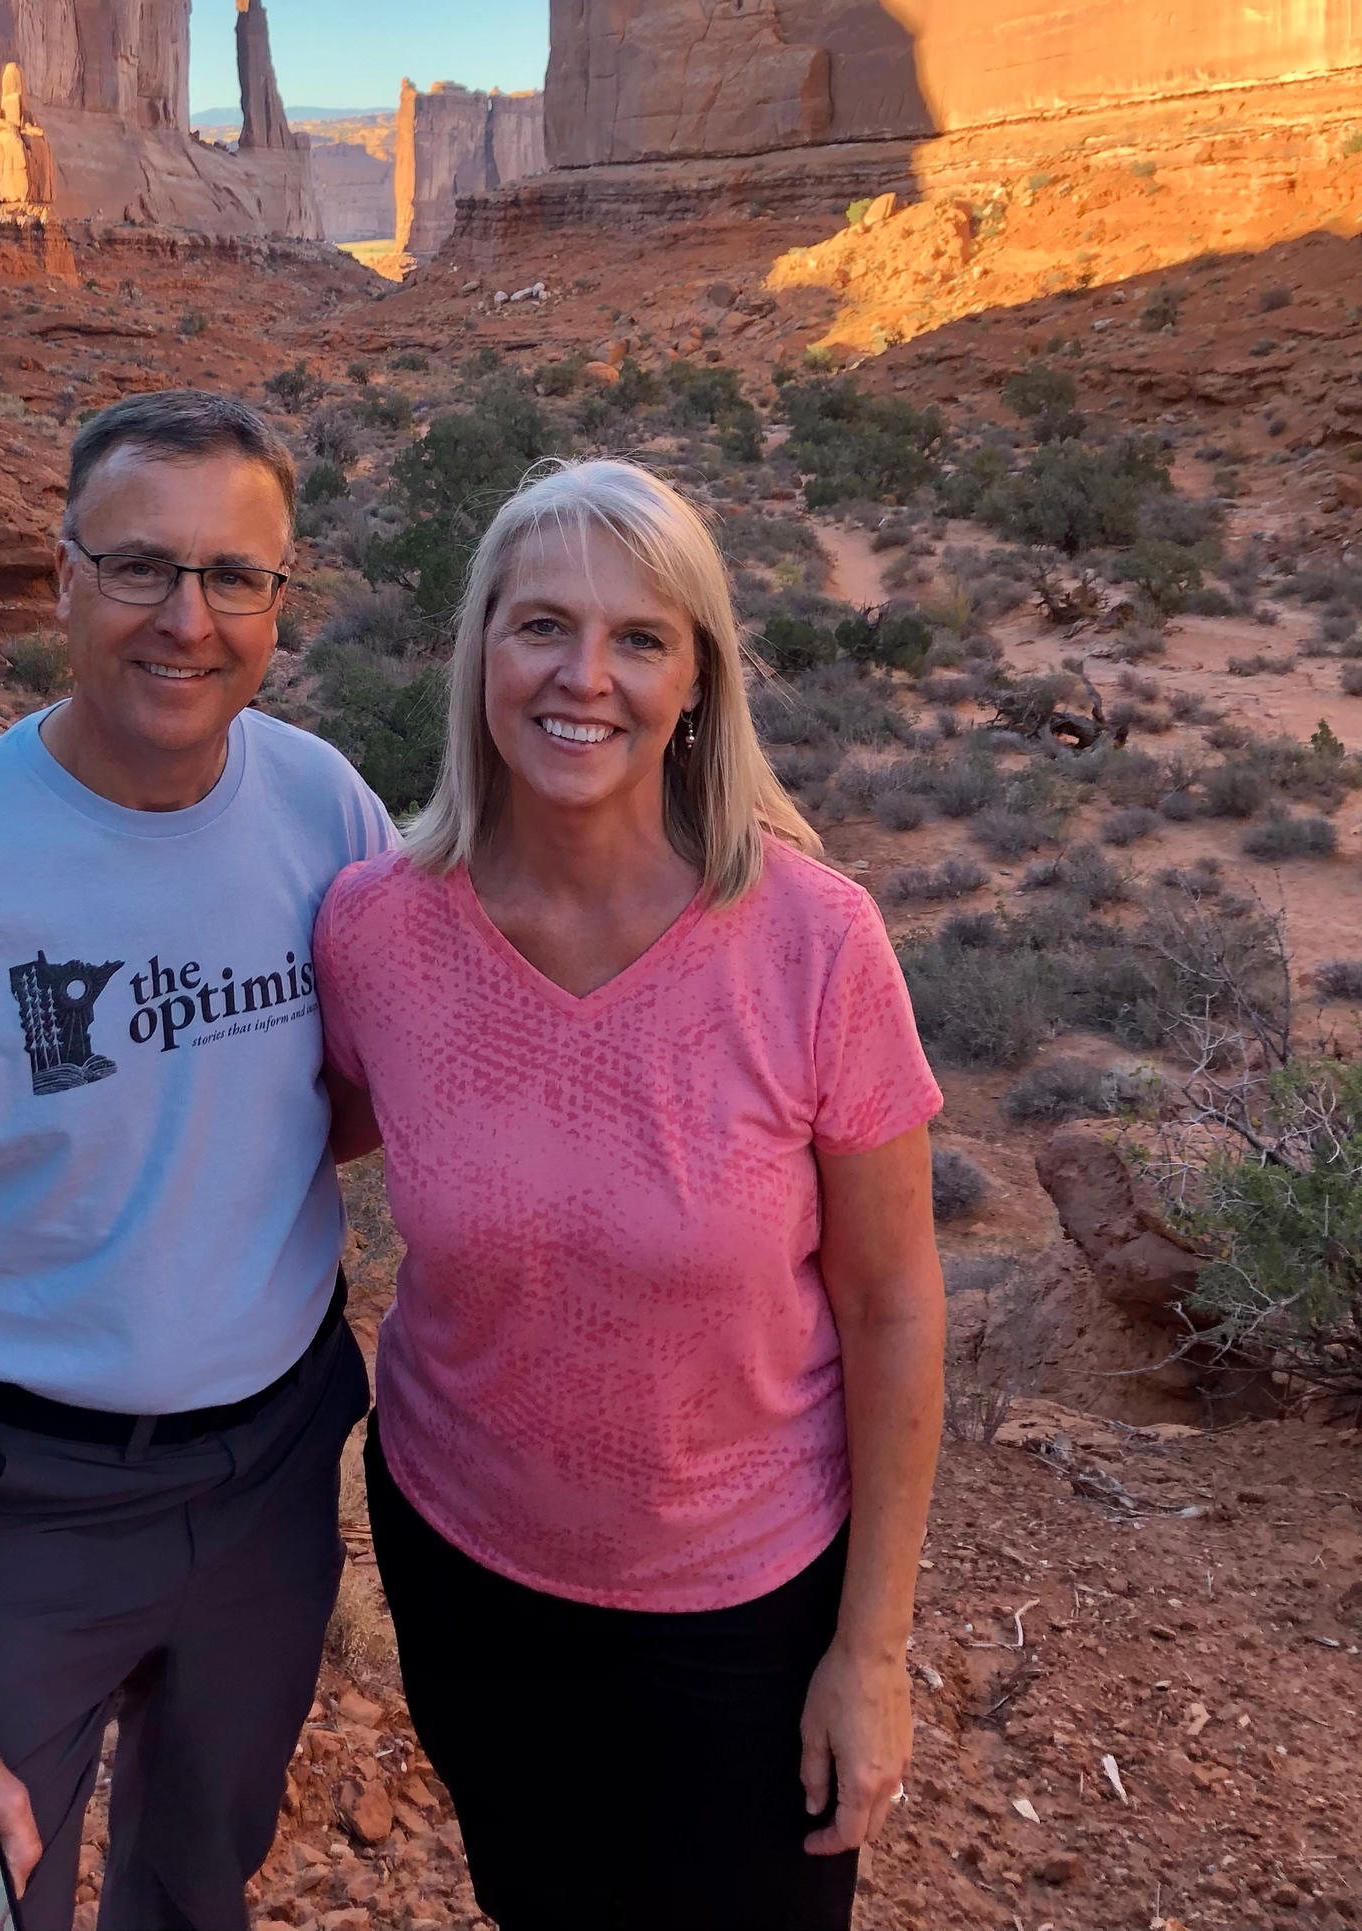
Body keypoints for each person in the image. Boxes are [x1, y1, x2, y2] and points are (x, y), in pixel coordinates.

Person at [0, 391, 394, 1931]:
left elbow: (370, 1091)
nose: (188, 619)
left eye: (234, 577)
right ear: (62, 579)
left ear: (280, 600)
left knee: (196, 1876)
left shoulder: (327, 808)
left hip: (271, 1472)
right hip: (17, 1498)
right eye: (140, 568)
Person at [313, 458, 945, 1931]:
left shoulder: (813, 942)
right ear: (479, 650)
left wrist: (876, 1646)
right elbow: (308, 1127)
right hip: (465, 1563)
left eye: (639, 637)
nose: (582, 676)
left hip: (744, 1604)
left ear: (695, 678)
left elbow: (896, 1303)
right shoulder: (379, 929)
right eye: (541, 625)